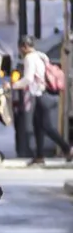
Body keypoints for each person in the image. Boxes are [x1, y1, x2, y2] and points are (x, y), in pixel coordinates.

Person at [13, 36, 73, 164]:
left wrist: (14, 85)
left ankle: (67, 148)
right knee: (37, 125)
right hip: (41, 93)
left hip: (39, 95)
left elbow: (28, 79)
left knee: (46, 126)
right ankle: (39, 156)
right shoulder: (40, 56)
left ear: (24, 46)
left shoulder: (29, 58)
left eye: (20, 48)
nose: (20, 52)